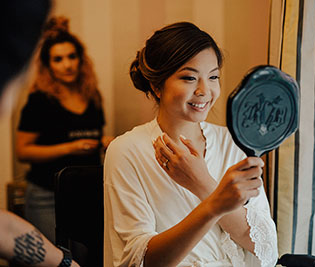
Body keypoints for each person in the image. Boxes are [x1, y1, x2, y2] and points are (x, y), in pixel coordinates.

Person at [104, 22, 278, 267]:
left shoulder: (234, 142)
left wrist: (203, 184)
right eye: (189, 78)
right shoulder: (126, 151)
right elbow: (141, 261)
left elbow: (263, 245)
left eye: (213, 77)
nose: (204, 91)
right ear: (156, 86)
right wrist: (214, 204)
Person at [15, 16, 113, 243]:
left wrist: (105, 143)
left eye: (72, 56)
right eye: (58, 59)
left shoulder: (92, 96)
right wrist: (70, 148)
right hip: (45, 195)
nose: (67, 64)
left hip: (87, 190)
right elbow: (23, 151)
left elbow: (95, 137)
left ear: (81, 59)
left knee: (88, 254)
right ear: (48, 65)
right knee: (59, 256)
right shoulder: (39, 101)